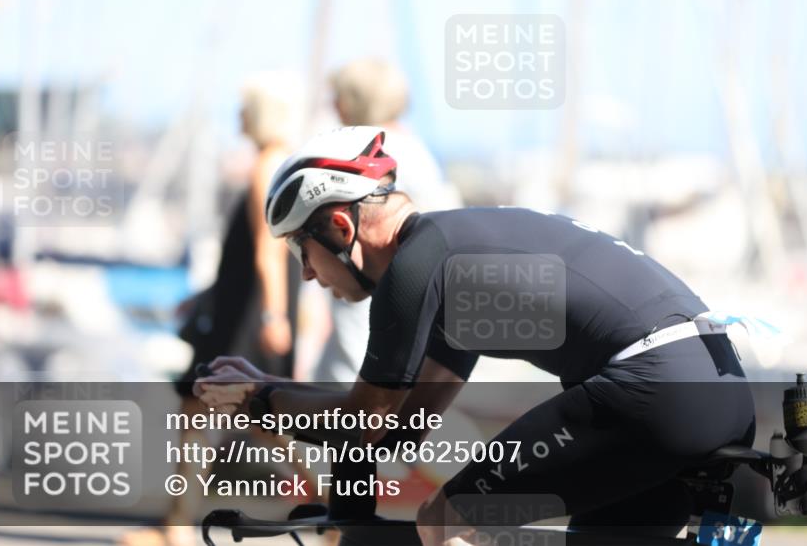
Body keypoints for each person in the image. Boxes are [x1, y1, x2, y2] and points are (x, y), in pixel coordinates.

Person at [197, 126, 756, 546]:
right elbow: (397, 428)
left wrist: (259, 399)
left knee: (444, 519)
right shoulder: (450, 259)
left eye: (302, 249)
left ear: (341, 228)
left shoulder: (415, 269)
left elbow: (364, 420)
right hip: (719, 389)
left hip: (654, 388)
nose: (306, 275)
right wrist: (273, 395)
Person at [122, 75, 300, 546]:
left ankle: (177, 528)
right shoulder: (281, 163)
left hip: (247, 319)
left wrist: (274, 316)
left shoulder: (267, 165)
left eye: (244, 110)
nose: (237, 117)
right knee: (239, 417)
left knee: (250, 419)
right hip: (242, 311)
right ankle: (176, 525)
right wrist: (207, 296)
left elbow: (267, 249)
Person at [314, 59, 460, 384]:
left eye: (338, 97)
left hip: (369, 293)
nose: (333, 105)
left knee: (345, 389)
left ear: (354, 101)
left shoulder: (368, 151)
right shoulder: (415, 149)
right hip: (409, 295)